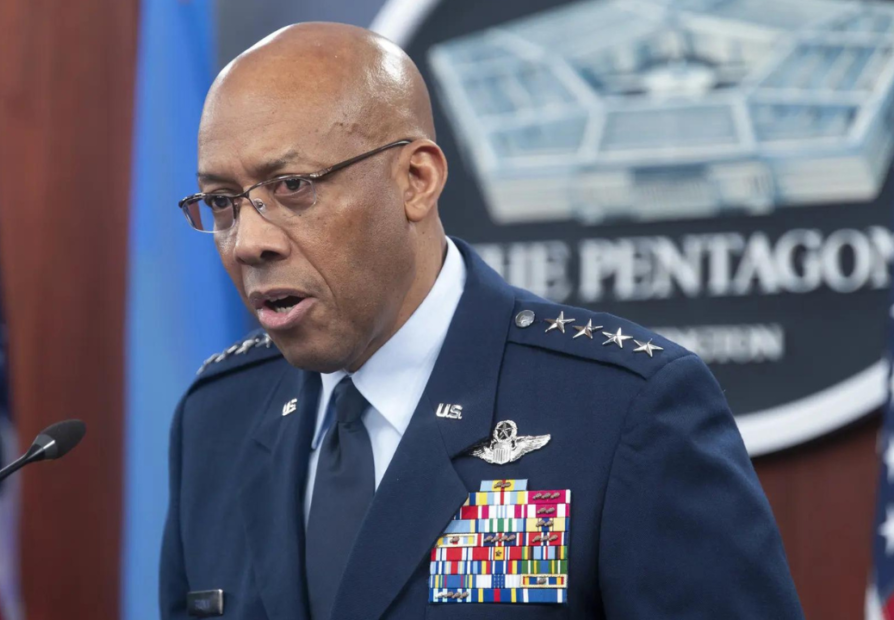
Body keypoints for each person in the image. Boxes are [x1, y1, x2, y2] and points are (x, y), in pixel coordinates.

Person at [159, 22, 804, 620]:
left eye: (293, 186)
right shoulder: (217, 416)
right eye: (222, 202)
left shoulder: (622, 410)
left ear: (416, 180)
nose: (248, 242)